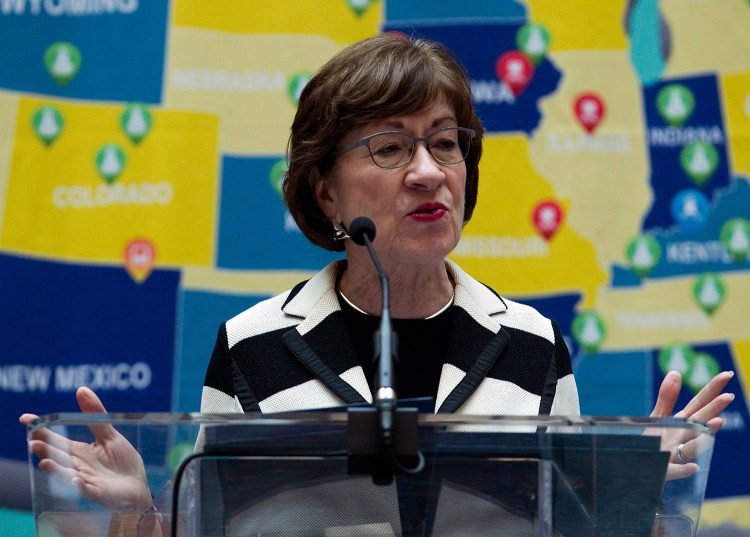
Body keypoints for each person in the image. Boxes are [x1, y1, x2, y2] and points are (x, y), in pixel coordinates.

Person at [21, 33, 735, 525]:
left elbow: (565, 528)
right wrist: (139, 508)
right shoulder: (253, 344)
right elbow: (224, 528)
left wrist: (631, 489)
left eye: (445, 142)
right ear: (327, 191)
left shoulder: (531, 343)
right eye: (391, 146)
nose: (429, 170)